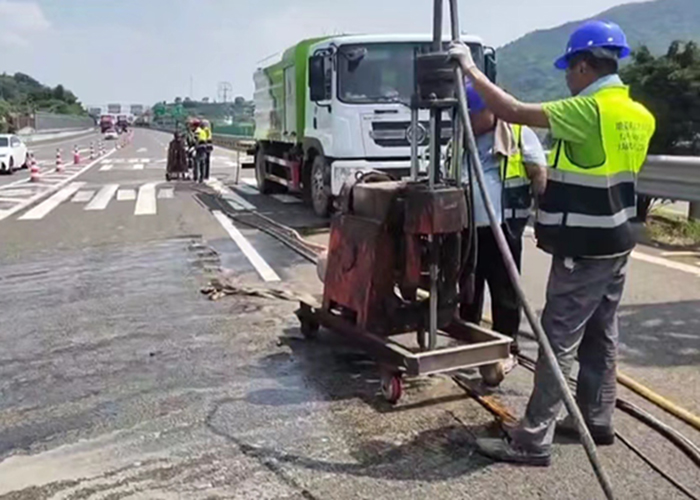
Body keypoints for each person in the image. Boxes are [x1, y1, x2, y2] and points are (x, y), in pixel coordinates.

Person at [449, 20, 656, 466]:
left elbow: (514, 110)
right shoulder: (640, 115)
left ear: (584, 66)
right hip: (619, 242)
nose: (567, 77)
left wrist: (469, 69)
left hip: (584, 248)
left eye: (570, 69)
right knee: (602, 333)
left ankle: (532, 438)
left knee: (558, 341)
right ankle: (596, 418)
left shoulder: (589, 110)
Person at [459, 84, 547, 376]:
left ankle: (506, 343)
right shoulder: (460, 138)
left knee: (505, 288)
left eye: (473, 113)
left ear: (489, 110)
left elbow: (538, 173)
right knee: (469, 286)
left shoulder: (519, 134)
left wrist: (541, 217)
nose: (468, 119)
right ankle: (469, 340)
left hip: (504, 227)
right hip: (468, 229)